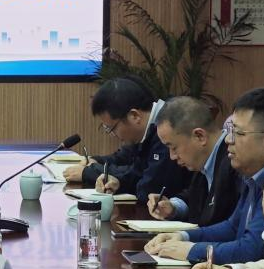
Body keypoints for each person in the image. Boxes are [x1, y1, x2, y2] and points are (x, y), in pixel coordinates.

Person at [147, 86, 264, 264]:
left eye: (237, 133)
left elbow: (252, 250)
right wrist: (183, 236)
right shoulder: (255, 176)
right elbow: (232, 227)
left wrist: (191, 250)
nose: (228, 139)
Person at [62, 77, 190, 201]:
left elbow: (149, 190)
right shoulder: (146, 132)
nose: (113, 134)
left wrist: (91, 173)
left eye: (112, 128)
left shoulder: (167, 129)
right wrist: (112, 175)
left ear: (134, 116)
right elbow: (130, 164)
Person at [146, 96, 239, 228]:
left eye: (174, 147)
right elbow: (195, 196)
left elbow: (226, 226)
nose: (172, 157)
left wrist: (185, 237)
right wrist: (173, 207)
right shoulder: (205, 159)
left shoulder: (235, 163)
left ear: (199, 136)